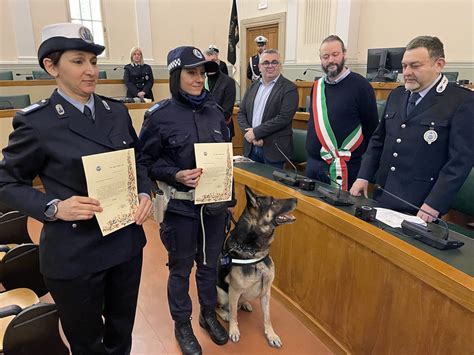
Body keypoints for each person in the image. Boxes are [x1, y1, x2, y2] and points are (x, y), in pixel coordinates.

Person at [0, 23, 153, 354]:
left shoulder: (116, 112)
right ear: (51, 66)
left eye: (93, 62)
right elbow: (7, 182)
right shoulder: (37, 122)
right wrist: (53, 207)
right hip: (75, 252)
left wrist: (144, 192)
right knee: (87, 343)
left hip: (124, 245)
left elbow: (137, 160)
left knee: (120, 334)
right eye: (78, 61)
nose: (90, 71)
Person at [139, 46, 229, 355]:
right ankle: (182, 323)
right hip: (180, 208)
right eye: (191, 73)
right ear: (176, 75)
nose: (198, 79)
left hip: (214, 208)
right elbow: (146, 163)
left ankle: (207, 313)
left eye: (202, 73)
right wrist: (176, 174)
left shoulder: (216, 113)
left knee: (208, 265)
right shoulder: (159, 117)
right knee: (179, 270)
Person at [350, 36, 474, 221]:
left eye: (415, 66)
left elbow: (459, 161)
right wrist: (363, 176)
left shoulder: (460, 101)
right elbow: (378, 140)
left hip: (421, 204)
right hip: (384, 194)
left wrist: (435, 203)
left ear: (438, 64)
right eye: (404, 66)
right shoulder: (397, 95)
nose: (406, 72)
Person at [305, 35, 379, 190]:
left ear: (344, 54)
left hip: (346, 167)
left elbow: (371, 127)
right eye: (326, 56)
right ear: (321, 59)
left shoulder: (361, 86)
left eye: (335, 54)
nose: (331, 60)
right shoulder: (317, 87)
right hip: (314, 165)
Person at [237, 49, 299, 169]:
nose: (270, 66)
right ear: (259, 67)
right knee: (250, 185)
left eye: (274, 62)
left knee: (271, 186)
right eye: (266, 63)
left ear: (280, 66)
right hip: (251, 147)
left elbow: (283, 118)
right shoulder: (252, 87)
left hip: (274, 150)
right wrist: (249, 134)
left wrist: (256, 133)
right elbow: (241, 113)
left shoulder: (289, 88)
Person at [204, 48, 236, 140]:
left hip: (222, 129)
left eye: (213, 61)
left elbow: (227, 111)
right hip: (203, 131)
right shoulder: (200, 80)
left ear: (218, 62)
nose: (210, 63)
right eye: (207, 61)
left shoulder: (228, 82)